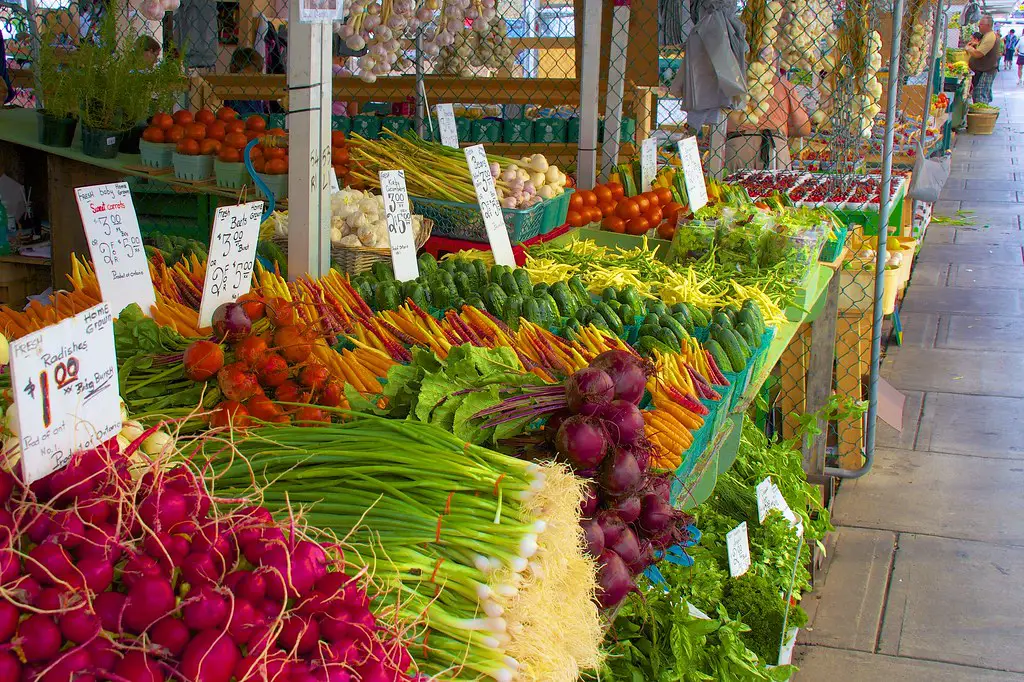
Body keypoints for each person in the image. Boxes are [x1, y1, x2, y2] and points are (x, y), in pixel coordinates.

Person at [725, 59, 811, 171]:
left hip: (737, 144)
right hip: (774, 146)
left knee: (732, 187)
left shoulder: (731, 80)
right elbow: (803, 128)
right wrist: (780, 127)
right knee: (775, 187)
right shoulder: (783, 84)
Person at [223, 48, 270, 117]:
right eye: (247, 77)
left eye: (255, 77)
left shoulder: (255, 91)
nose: (251, 81)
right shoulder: (233, 91)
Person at [966, 15, 1000, 104]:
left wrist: (969, 49)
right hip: (984, 70)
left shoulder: (990, 37)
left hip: (986, 71)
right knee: (981, 93)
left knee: (980, 94)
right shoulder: (987, 36)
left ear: (988, 25)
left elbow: (979, 54)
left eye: (981, 24)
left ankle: (981, 115)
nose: (978, 26)